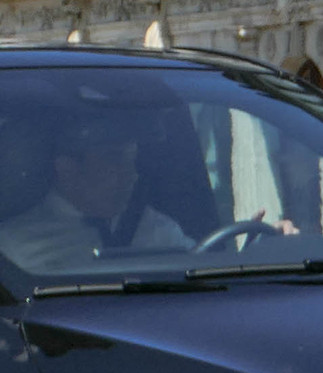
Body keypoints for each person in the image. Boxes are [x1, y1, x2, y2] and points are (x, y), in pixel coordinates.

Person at [0, 112, 193, 270]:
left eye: (131, 160)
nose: (132, 175)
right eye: (114, 159)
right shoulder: (15, 247)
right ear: (67, 168)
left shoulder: (159, 230)